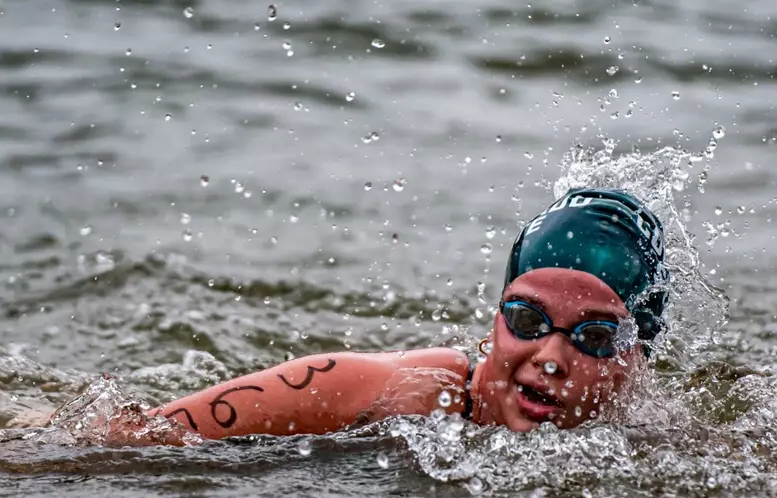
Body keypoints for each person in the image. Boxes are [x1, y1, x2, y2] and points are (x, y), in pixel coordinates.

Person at [92, 187, 669, 445]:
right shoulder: (407, 392)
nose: (550, 357)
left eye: (593, 337)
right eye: (525, 320)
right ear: (495, 317)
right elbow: (126, 437)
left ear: (634, 358)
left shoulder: (647, 436)